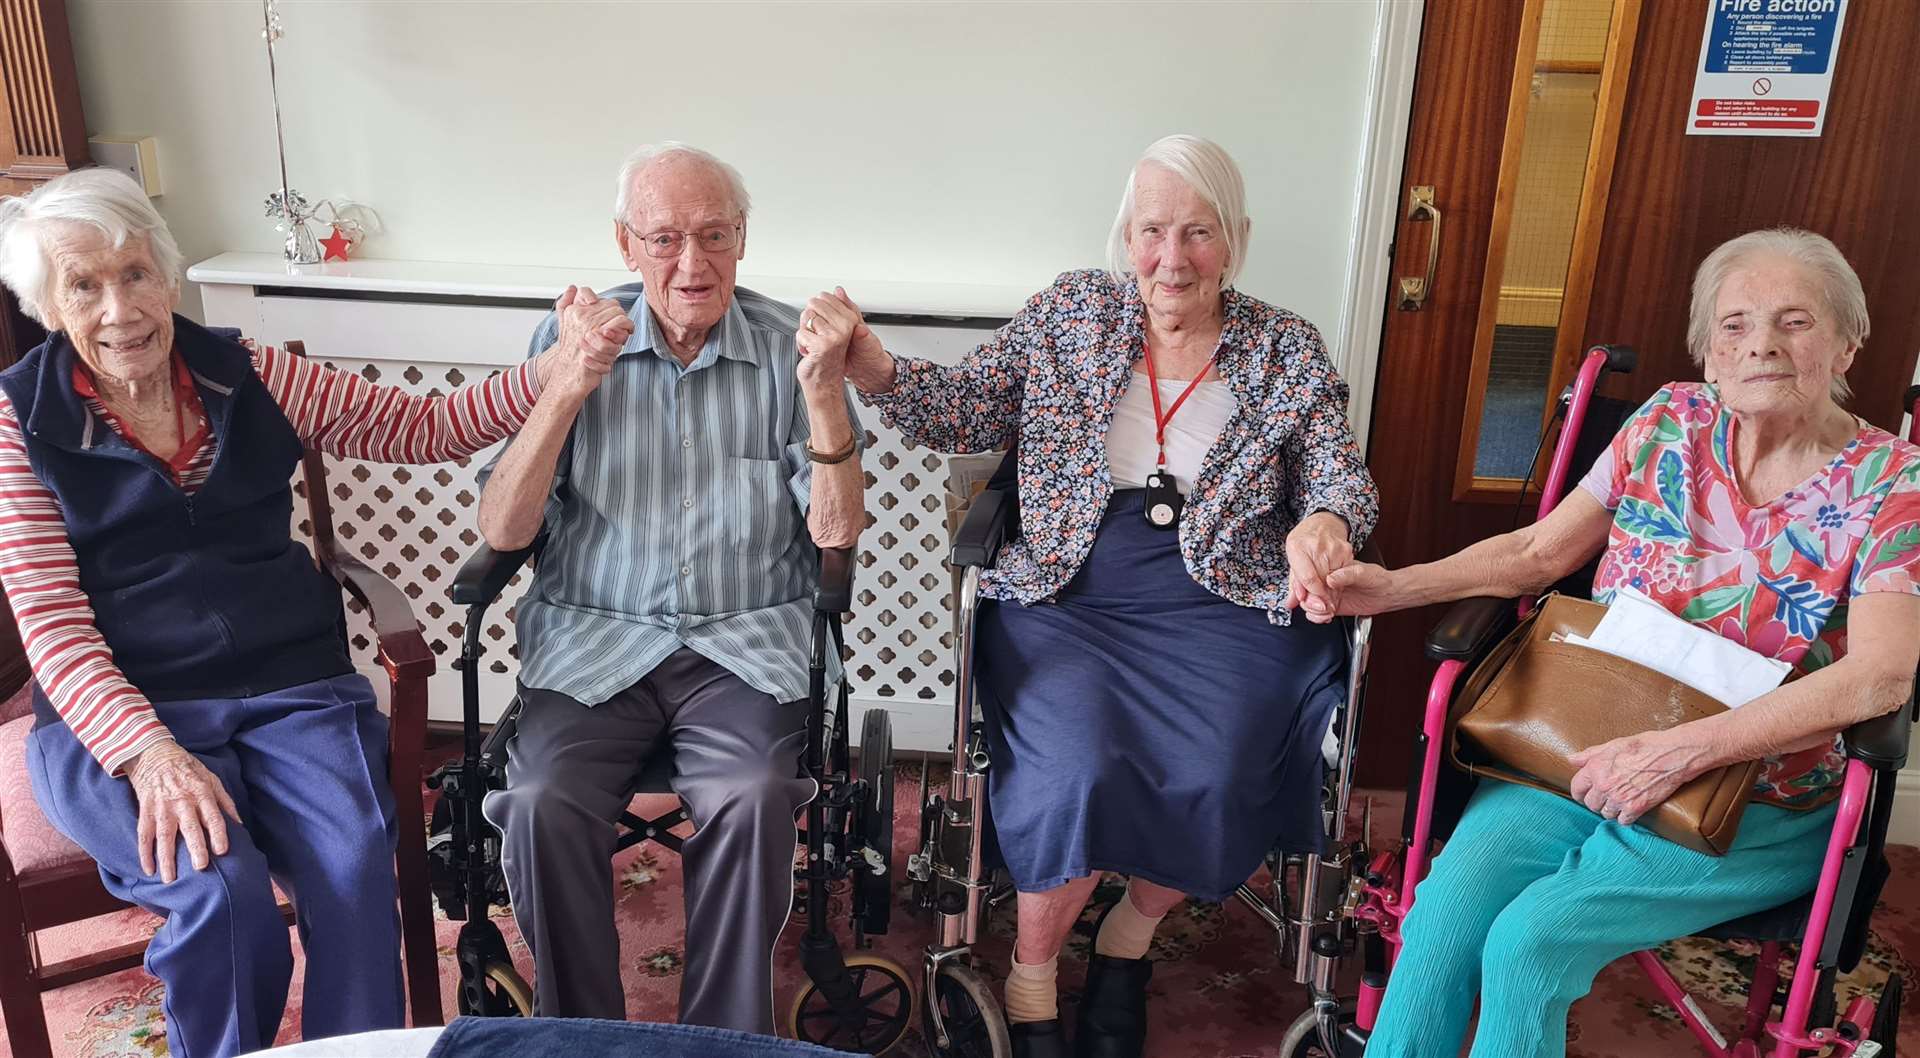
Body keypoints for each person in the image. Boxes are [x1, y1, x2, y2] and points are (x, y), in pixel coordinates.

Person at [0, 167, 629, 1058]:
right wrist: (149, 755)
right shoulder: (18, 423)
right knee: (219, 895)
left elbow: (425, 428)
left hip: (290, 683)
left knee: (354, 869)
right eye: (85, 285)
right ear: (46, 306)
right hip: (126, 715)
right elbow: (53, 624)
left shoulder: (245, 373)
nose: (119, 309)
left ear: (168, 276)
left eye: (135, 273)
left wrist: (559, 367)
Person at [818, 134, 1377, 1058]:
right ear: (1125, 236)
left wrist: (1324, 519)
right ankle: (1032, 979)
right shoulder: (1070, 311)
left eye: (1197, 232)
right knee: (1075, 768)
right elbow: (965, 413)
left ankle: (1128, 937)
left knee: (1221, 766)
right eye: (1152, 230)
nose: (1172, 256)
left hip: (1226, 601)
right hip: (1070, 594)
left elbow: (1337, 474)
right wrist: (872, 364)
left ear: (1233, 240)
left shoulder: (1284, 346)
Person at [1319, 228, 1920, 1058]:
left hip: (1749, 801)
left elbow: (1881, 679)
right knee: (1441, 921)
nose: (1763, 347)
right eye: (1736, 325)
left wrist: (1677, 754)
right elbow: (1540, 553)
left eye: (1796, 322)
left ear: (1848, 341)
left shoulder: (1894, 484)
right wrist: (1390, 588)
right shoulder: (1668, 420)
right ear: (1708, 353)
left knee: (1527, 945)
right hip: (1577, 753)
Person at [475, 142, 865, 1035]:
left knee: (755, 793)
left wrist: (825, 397)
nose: (692, 264)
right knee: (538, 804)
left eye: (714, 236)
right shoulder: (570, 340)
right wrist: (569, 384)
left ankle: (722, 1043)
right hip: (595, 637)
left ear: (742, 239)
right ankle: (581, 1039)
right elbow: (503, 531)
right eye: (664, 239)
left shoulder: (786, 349)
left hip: (742, 640)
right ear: (625, 245)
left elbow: (838, 536)